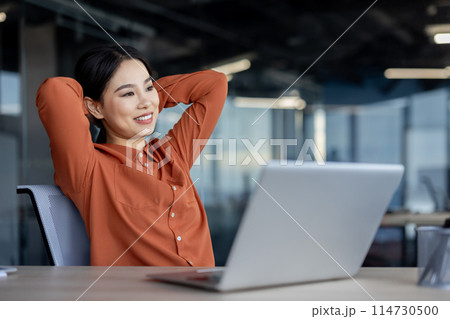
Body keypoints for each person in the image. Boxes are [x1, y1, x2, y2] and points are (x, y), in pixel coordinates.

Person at [36, 45, 228, 266]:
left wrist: (152, 100)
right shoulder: (88, 169)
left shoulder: (173, 154)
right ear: (94, 108)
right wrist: (142, 101)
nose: (144, 101)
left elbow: (215, 84)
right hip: (139, 297)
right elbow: (54, 90)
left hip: (203, 296)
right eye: (127, 93)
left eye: (148, 88)